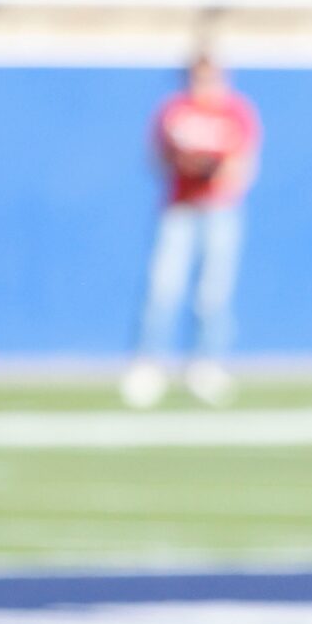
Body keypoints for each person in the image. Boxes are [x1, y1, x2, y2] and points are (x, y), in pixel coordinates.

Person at [120, 51, 260, 409]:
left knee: (212, 292)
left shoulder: (236, 112)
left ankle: (206, 364)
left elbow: (242, 166)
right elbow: (157, 156)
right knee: (162, 286)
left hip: (220, 208)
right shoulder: (175, 111)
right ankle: (147, 363)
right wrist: (185, 164)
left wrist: (215, 170)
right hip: (180, 207)